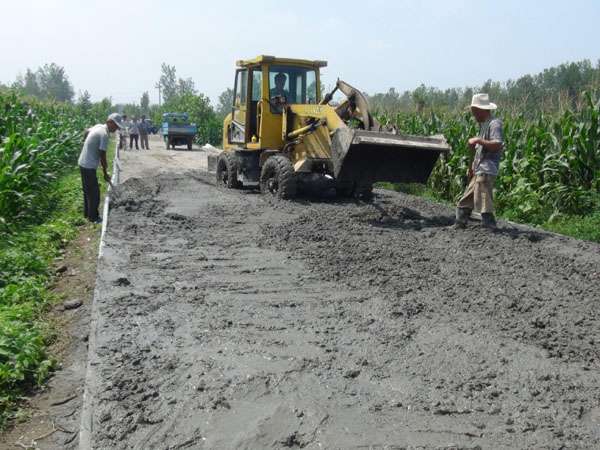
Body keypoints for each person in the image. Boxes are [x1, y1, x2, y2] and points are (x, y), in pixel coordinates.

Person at [453, 93, 504, 229]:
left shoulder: (494, 124)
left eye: (475, 112)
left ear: (482, 110)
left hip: (487, 168)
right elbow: (479, 150)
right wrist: (472, 167)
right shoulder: (483, 125)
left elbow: (497, 144)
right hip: (479, 168)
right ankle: (460, 222)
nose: (473, 115)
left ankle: (489, 224)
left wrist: (478, 140)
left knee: (483, 197)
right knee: (468, 197)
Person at [78, 113, 123, 223]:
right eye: (115, 125)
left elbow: (86, 131)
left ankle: (87, 214)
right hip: (88, 165)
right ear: (109, 122)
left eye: (117, 126)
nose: (116, 128)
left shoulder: (99, 126)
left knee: (87, 190)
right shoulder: (104, 135)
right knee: (94, 193)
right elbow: (102, 155)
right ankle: (93, 217)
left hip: (82, 162)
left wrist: (85, 145)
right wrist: (105, 172)